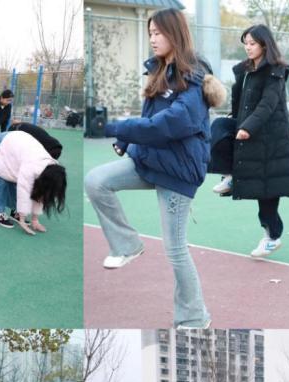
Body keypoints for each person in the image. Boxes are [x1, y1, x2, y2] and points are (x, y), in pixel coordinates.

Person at [84, 8, 225, 328]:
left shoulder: (193, 75)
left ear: (175, 33)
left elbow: (173, 123)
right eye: (150, 33)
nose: (153, 39)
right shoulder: (160, 70)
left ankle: (194, 317)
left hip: (178, 172)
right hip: (149, 160)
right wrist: (127, 141)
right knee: (96, 180)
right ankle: (127, 245)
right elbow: (151, 121)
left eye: (158, 33)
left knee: (175, 251)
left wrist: (117, 128)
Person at [212, 24, 289, 260]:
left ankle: (272, 237)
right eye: (246, 43)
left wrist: (247, 127)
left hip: (272, 139)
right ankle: (230, 174)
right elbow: (240, 101)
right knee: (219, 127)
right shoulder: (245, 70)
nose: (248, 47)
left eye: (252, 43)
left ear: (264, 44)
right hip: (249, 131)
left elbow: (267, 104)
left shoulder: (275, 71)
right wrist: (237, 122)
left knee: (267, 193)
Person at [0, 129, 67, 234]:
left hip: (19, 146)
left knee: (15, 180)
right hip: (4, 142)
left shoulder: (51, 169)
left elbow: (41, 193)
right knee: (1, 177)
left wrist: (35, 219)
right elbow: (24, 190)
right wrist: (22, 220)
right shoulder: (32, 168)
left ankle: (15, 212)